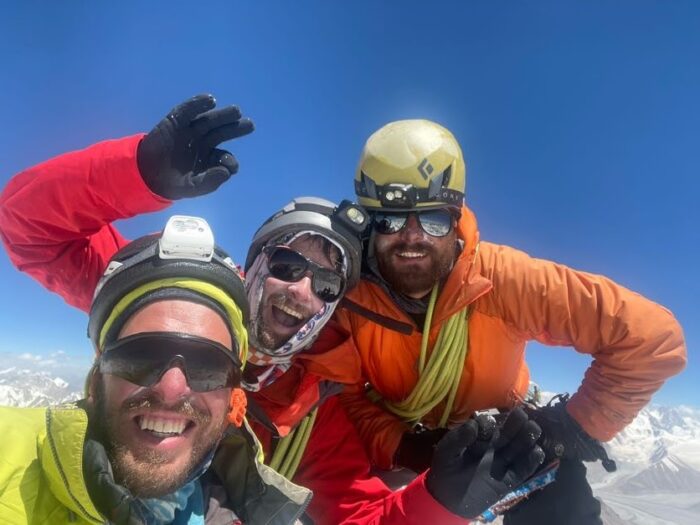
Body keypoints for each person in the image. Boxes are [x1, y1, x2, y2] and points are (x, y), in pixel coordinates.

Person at [0, 95, 547, 524]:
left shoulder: (313, 413)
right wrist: (138, 171)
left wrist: (444, 501)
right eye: (286, 265)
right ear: (254, 264)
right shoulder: (178, 305)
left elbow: (361, 519)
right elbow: (30, 230)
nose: (301, 290)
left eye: (328, 283)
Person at [336, 119, 688, 524]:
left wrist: (570, 428)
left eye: (433, 220)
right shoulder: (346, 293)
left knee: (565, 510)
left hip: (504, 437)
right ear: (368, 223)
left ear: (456, 218)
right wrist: (405, 447)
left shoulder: (500, 280)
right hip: (400, 438)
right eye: (390, 220)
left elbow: (652, 336)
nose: (412, 237)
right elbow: (344, 397)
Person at [0, 215, 313, 524]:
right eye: (141, 356)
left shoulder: (263, 514)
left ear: (231, 395)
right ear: (96, 380)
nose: (172, 388)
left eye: (208, 365)